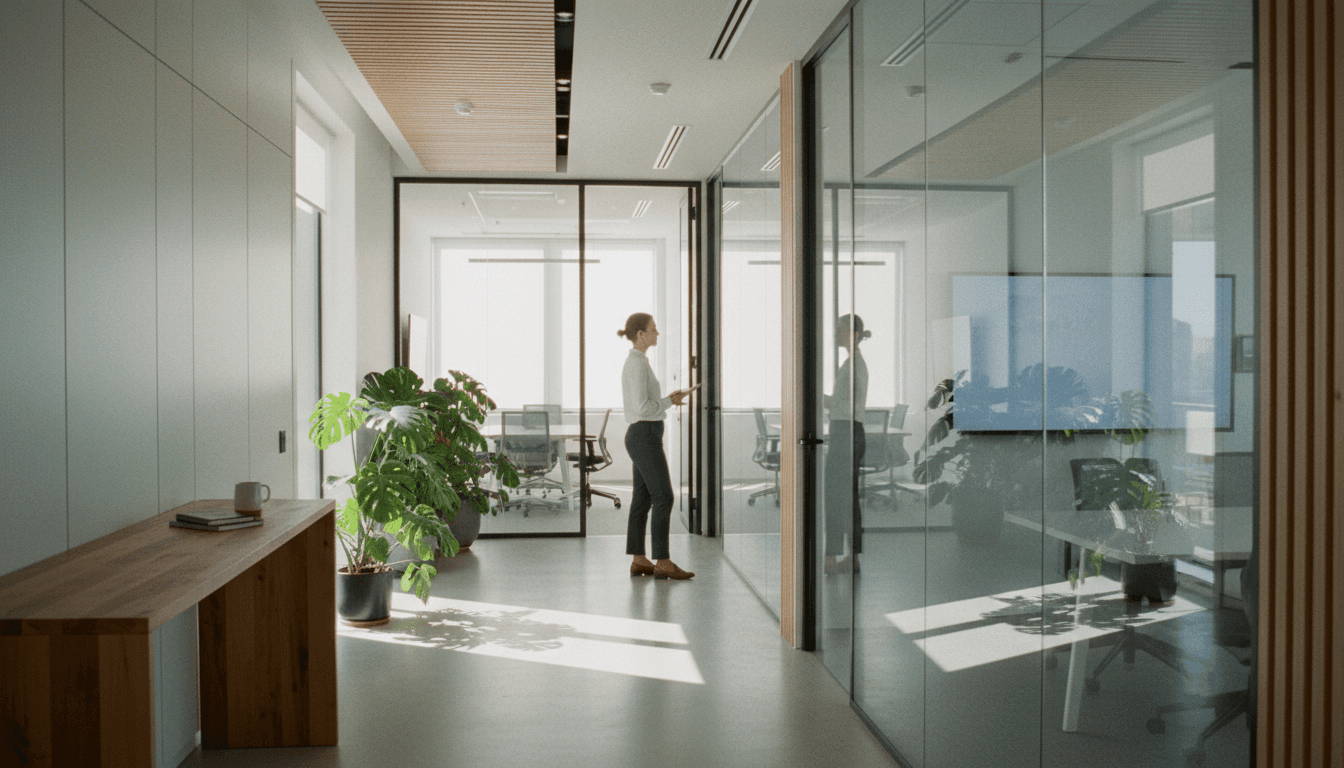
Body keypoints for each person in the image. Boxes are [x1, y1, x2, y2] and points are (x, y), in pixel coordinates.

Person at [618, 312, 695, 580]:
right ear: (641, 334)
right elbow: (642, 407)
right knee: (664, 496)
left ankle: (639, 559)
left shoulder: (638, 362)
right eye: (653, 329)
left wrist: (668, 400)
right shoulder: (638, 365)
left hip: (642, 435)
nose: (657, 333)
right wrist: (669, 402)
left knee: (643, 497)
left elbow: (643, 404)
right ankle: (663, 561)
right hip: (644, 435)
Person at [822, 314, 869, 575]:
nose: (835, 334)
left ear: (854, 334)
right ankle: (851, 558)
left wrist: (820, 398)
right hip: (848, 432)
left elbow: (847, 407)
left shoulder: (854, 366)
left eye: (840, 330)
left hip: (846, 433)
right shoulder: (852, 364)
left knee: (836, 496)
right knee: (847, 498)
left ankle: (833, 557)